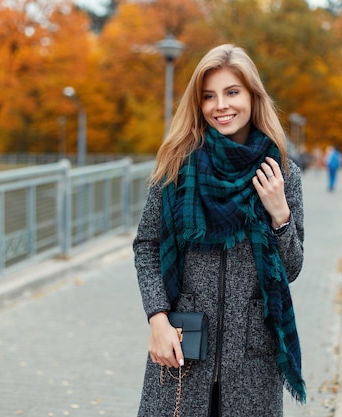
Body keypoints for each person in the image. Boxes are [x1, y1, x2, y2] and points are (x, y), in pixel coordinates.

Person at [133, 44, 306, 417]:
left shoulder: (281, 173)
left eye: (232, 92)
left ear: (252, 96)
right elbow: (147, 246)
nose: (220, 106)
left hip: (252, 357)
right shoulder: (177, 166)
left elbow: (290, 269)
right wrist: (157, 318)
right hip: (182, 345)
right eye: (209, 96)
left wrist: (280, 216)